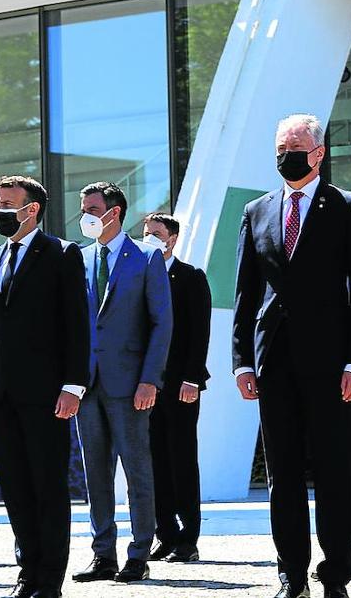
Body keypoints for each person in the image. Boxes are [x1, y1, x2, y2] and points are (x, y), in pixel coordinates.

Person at [233, 113, 351, 598]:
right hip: (274, 362)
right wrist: (242, 360)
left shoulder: (350, 208)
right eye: (279, 147)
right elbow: (245, 293)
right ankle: (291, 574)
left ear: (318, 154)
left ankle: (336, 573)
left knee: (335, 471)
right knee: (283, 475)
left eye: (294, 147)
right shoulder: (256, 212)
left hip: (333, 365)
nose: (284, 156)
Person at [0, 175, 89, 598]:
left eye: (7, 203)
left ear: (31, 209)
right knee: (16, 487)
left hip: (47, 393)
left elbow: (76, 324)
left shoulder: (61, 254)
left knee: (47, 487)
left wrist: (74, 385)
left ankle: (49, 579)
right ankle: (27, 572)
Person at [72, 182, 172, 584]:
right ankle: (102, 555)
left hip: (130, 386)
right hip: (86, 386)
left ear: (114, 213)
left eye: (92, 208)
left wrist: (151, 379)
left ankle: (138, 554)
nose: (85, 216)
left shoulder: (146, 258)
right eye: (83, 208)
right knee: (94, 474)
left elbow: (161, 323)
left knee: (137, 472)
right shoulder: (76, 259)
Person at [142, 212, 211, 563]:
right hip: (147, 385)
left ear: (172, 239)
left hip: (181, 382)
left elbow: (199, 333)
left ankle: (189, 538)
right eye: (145, 232)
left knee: (182, 458)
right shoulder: (139, 276)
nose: (149, 237)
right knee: (154, 460)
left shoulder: (189, 277)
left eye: (156, 233)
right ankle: (165, 534)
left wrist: (192, 378)